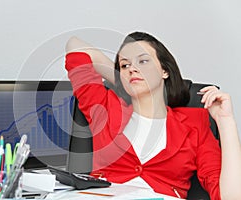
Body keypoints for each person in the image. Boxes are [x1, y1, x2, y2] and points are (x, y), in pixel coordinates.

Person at [64, 31, 241, 199]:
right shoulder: (104, 108)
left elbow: (231, 196)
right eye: (125, 65)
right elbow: (75, 45)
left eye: (143, 61)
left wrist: (226, 122)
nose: (132, 68)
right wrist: (122, 80)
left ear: (165, 71)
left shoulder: (196, 124)